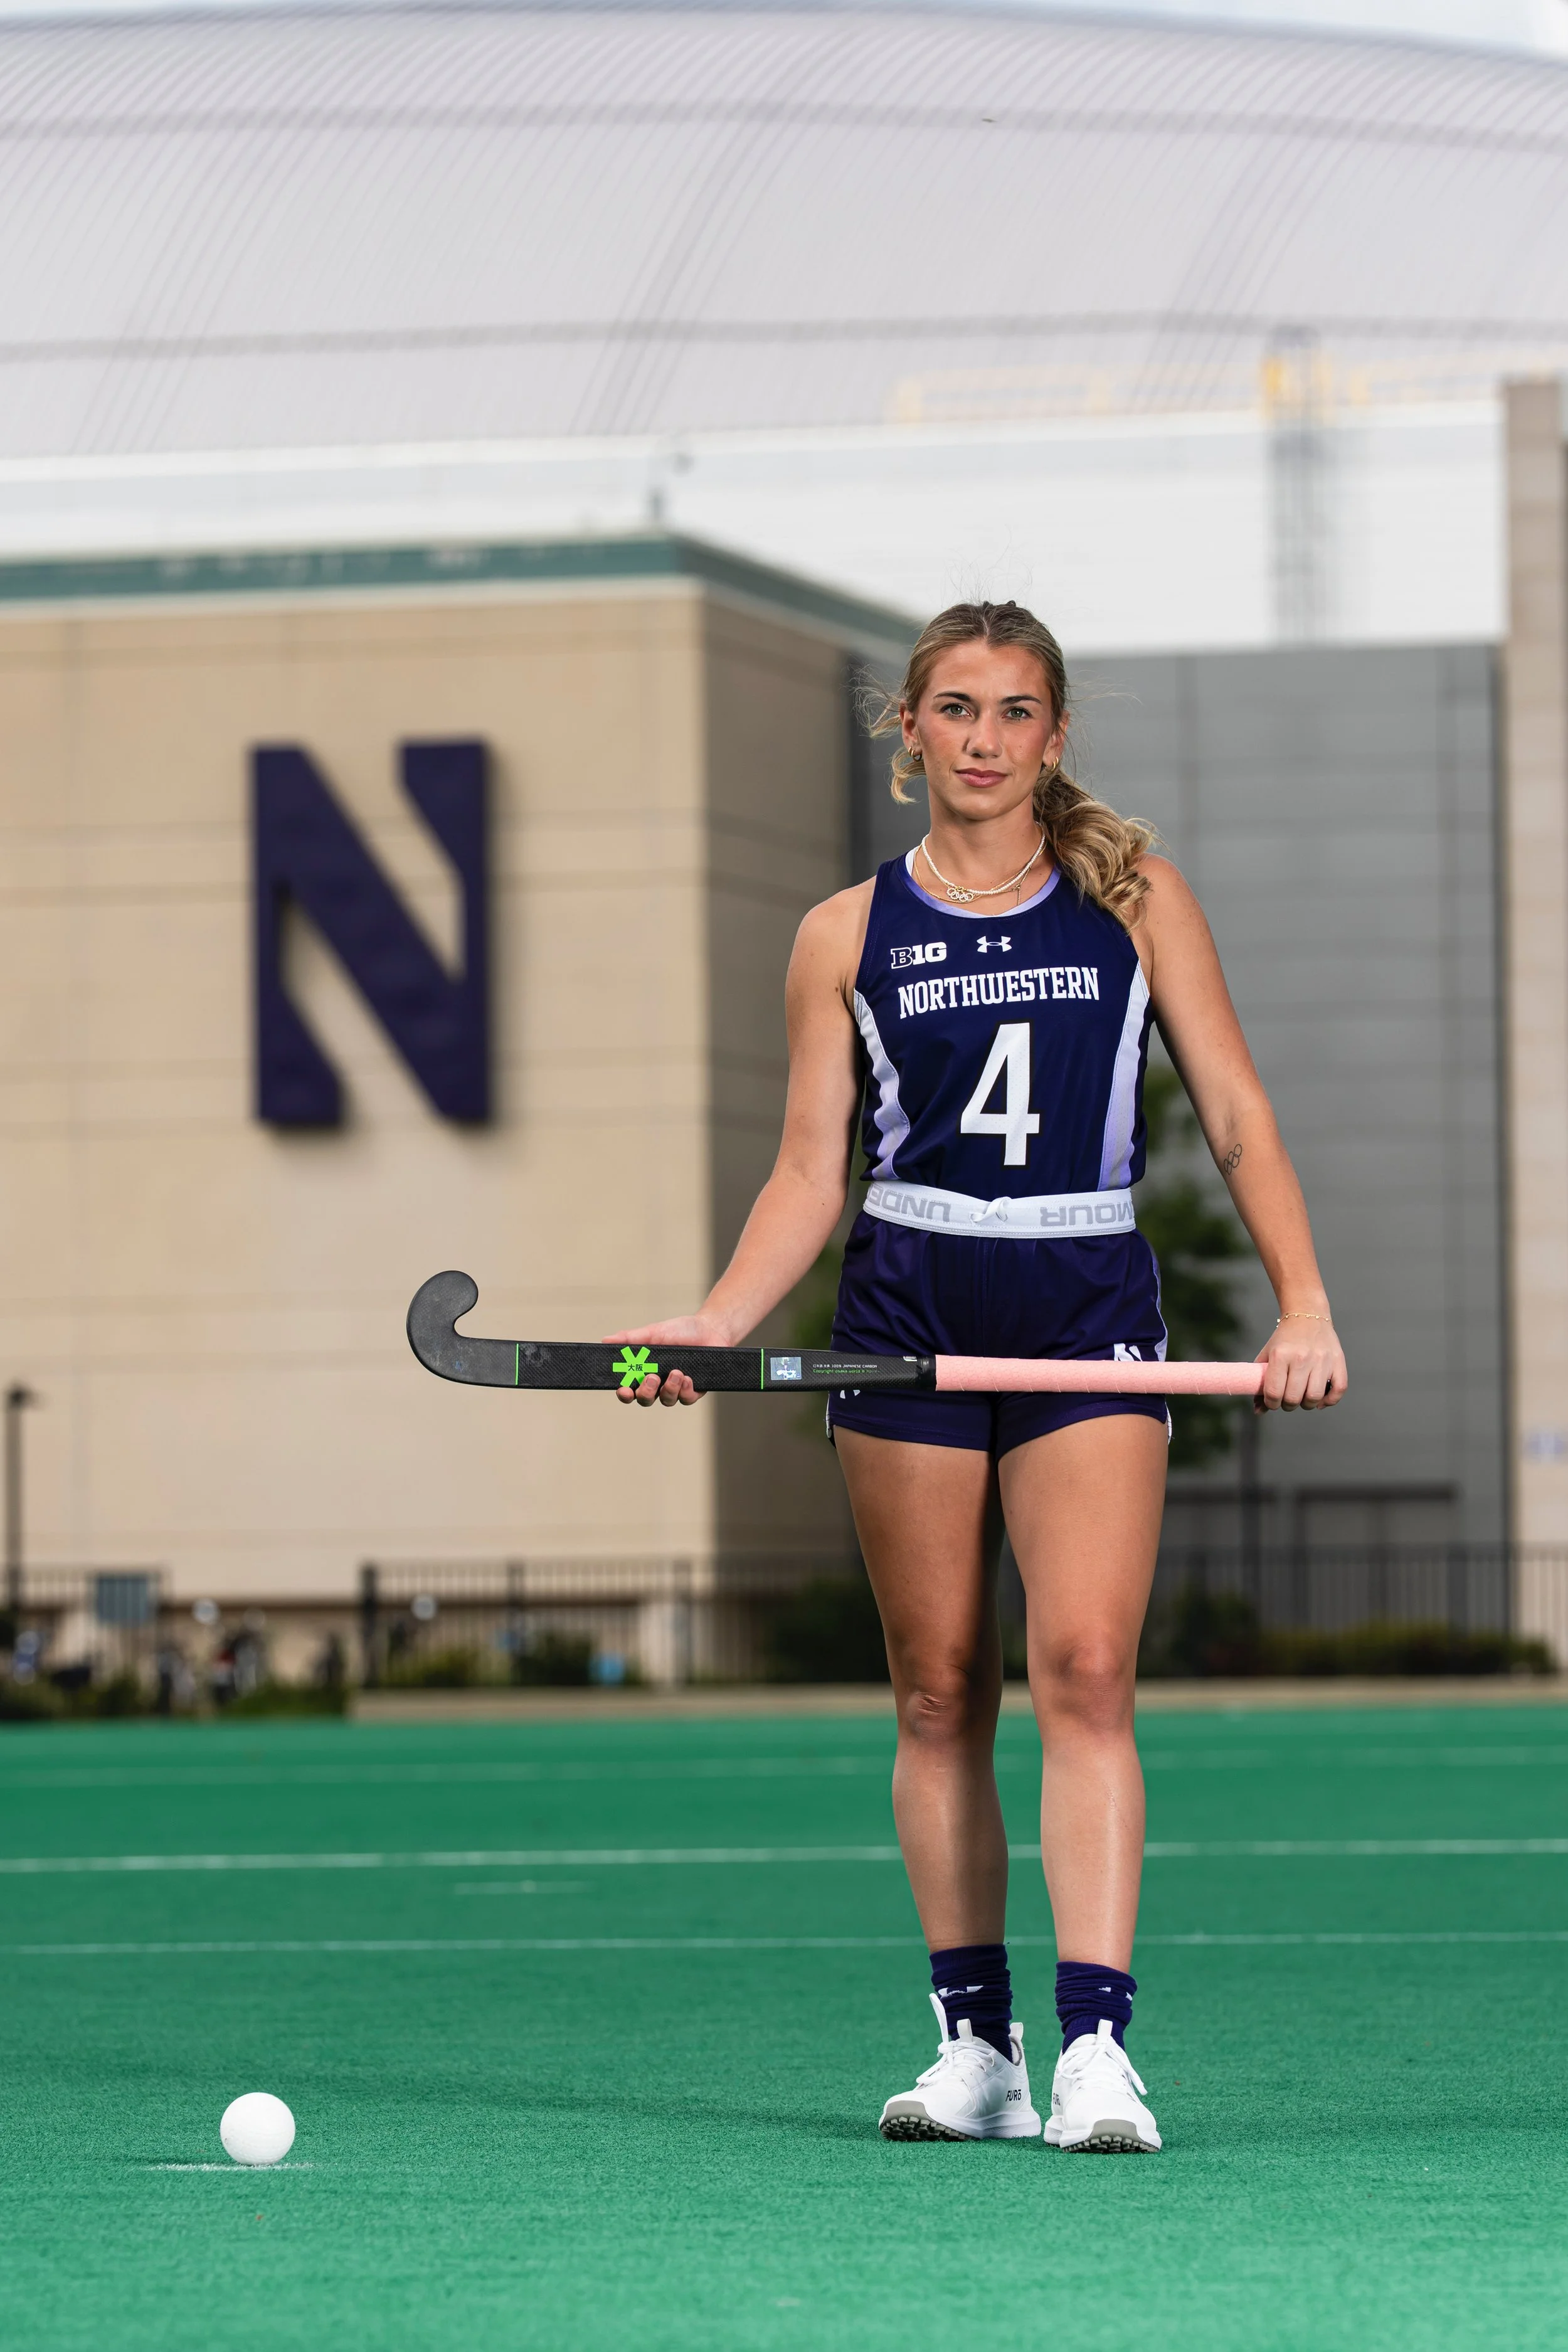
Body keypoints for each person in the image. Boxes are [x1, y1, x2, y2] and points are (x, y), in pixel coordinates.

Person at [609, 600, 1346, 2153]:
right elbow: (812, 1171)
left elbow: (1235, 1116)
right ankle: (975, 2048)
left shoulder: (1135, 904)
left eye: (1015, 713)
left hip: (1083, 1301)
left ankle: (1092, 2049)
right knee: (939, 1685)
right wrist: (717, 1323)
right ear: (910, 734)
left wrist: (1302, 1306)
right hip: (903, 1308)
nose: (985, 740)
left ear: (1053, 737)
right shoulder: (843, 933)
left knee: (1082, 1670)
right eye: (955, 710)